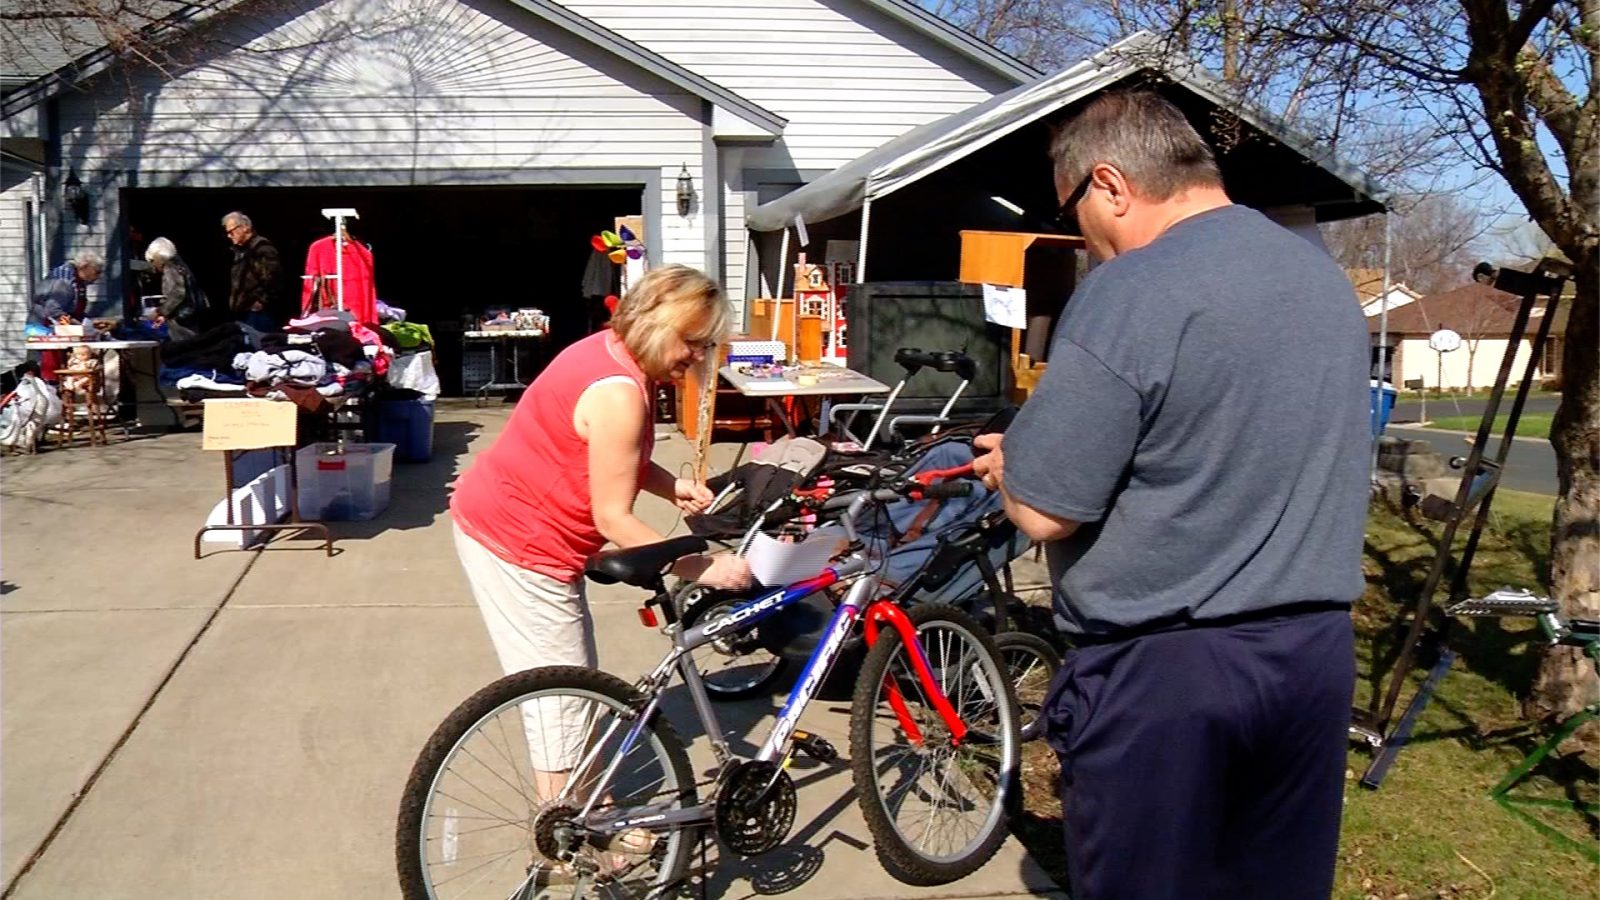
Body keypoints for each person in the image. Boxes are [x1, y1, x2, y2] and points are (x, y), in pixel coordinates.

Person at [971, 91, 1369, 898]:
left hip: (1169, 670)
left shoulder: (1133, 289)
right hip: (1311, 656)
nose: (1078, 230)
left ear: (1109, 185)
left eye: (1070, 206)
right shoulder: (1321, 281)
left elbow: (1047, 508)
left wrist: (1014, 465)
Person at [449, 264, 752, 797]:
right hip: (521, 542)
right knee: (564, 689)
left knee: (565, 681)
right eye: (694, 342)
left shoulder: (607, 347)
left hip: (502, 518)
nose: (699, 358)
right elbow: (612, 518)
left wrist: (669, 488)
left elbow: (612, 455)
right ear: (660, 326)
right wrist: (701, 566)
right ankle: (574, 826)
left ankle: (580, 804)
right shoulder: (620, 394)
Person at [222, 211, 287, 330]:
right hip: (244, 311)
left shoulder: (262, 248)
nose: (229, 236)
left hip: (258, 313)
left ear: (245, 227)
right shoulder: (240, 251)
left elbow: (274, 279)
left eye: (231, 231)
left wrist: (262, 301)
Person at [144, 237, 209, 342]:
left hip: (183, 318)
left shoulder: (170, 267)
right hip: (190, 314)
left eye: (152, 260)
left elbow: (178, 293)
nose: (153, 265)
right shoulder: (180, 265)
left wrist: (161, 311)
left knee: (184, 348)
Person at [30, 251, 103, 327]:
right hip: (45, 327)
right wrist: (78, 325)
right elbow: (53, 310)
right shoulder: (64, 280)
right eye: (97, 271)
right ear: (84, 266)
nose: (98, 276)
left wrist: (89, 322)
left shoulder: (79, 281)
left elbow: (75, 310)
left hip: (63, 325)